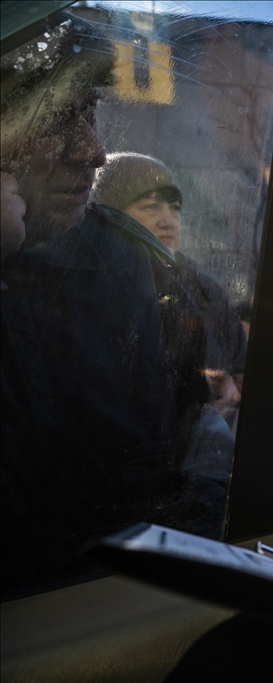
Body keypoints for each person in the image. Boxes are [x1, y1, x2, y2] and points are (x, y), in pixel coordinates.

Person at [0, 14, 190, 597]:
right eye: (57, 117)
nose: (93, 150)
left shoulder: (115, 258)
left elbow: (143, 475)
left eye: (92, 112)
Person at [92, 152, 248, 421]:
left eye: (175, 207)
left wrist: (231, 391)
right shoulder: (95, 290)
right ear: (112, 215)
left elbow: (243, 373)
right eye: (151, 207)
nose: (168, 220)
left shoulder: (206, 292)